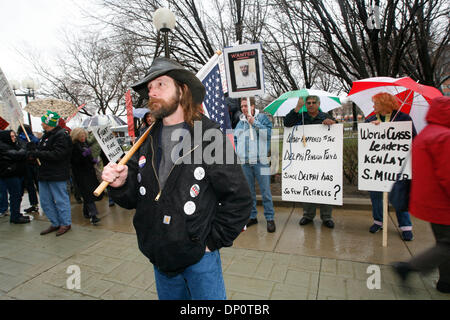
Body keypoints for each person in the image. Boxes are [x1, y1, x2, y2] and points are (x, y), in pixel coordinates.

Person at [101, 57, 252, 300]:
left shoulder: (208, 135)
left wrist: (211, 242)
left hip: (199, 259)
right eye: (150, 88)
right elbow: (132, 198)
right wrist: (120, 184)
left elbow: (240, 197)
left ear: (182, 91)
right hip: (160, 257)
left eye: (161, 84)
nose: (152, 92)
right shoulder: (145, 138)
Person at [392, 96, 450, 294]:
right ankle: (408, 267)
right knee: (446, 245)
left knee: (444, 244)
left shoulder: (426, 134)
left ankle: (446, 282)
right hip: (443, 203)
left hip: (429, 203)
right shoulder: (444, 137)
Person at [365, 92, 417, 241]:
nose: (373, 106)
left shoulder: (404, 118)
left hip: (398, 165)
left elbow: (413, 138)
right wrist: (372, 127)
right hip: (377, 165)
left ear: (384, 104)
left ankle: (406, 226)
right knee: (376, 195)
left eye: (375, 103)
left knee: (399, 194)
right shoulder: (371, 119)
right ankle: (378, 221)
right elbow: (365, 140)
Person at [284, 95, 337, 228]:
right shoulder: (300, 116)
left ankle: (326, 217)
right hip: (306, 160)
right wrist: (297, 107)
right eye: (308, 103)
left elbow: (336, 132)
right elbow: (287, 123)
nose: (311, 105)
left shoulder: (326, 116)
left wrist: (332, 124)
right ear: (305, 104)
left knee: (324, 186)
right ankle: (308, 215)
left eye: (314, 102)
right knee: (308, 187)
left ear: (319, 104)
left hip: (324, 160)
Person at [26, 110, 73, 236]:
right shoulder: (45, 136)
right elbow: (42, 152)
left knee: (60, 199)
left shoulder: (62, 135)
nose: (41, 124)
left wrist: (38, 153)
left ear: (48, 122)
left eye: (43, 121)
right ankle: (55, 222)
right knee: (45, 200)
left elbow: (58, 154)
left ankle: (65, 223)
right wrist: (33, 149)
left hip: (57, 174)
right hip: (44, 174)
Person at [234, 97, 276, 233]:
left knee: (265, 192)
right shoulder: (240, 122)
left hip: (260, 161)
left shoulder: (262, 118)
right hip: (245, 162)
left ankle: (270, 218)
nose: (244, 109)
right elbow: (235, 139)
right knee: (249, 192)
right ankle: (252, 216)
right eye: (242, 106)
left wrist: (254, 123)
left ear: (253, 106)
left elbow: (269, 134)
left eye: (246, 106)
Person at [70, 128, 101, 225]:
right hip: (81, 174)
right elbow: (74, 161)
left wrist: (92, 160)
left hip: (88, 172)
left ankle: (86, 212)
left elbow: (89, 157)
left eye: (84, 136)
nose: (83, 137)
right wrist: (83, 155)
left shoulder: (84, 143)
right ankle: (93, 215)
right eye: (81, 136)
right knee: (87, 194)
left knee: (87, 194)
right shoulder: (73, 146)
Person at [0, 130, 30, 224]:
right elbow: (17, 155)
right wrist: (25, 148)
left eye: (14, 136)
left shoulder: (12, 144)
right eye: (12, 136)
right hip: (10, 174)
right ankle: (15, 217)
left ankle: (16, 213)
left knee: (17, 195)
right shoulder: (3, 146)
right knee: (15, 195)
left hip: (16, 173)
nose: (14, 138)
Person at [17, 124, 40, 213]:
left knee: (31, 185)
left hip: (28, 164)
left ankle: (34, 204)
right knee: (35, 184)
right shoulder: (33, 139)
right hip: (30, 164)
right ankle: (37, 203)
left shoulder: (22, 139)